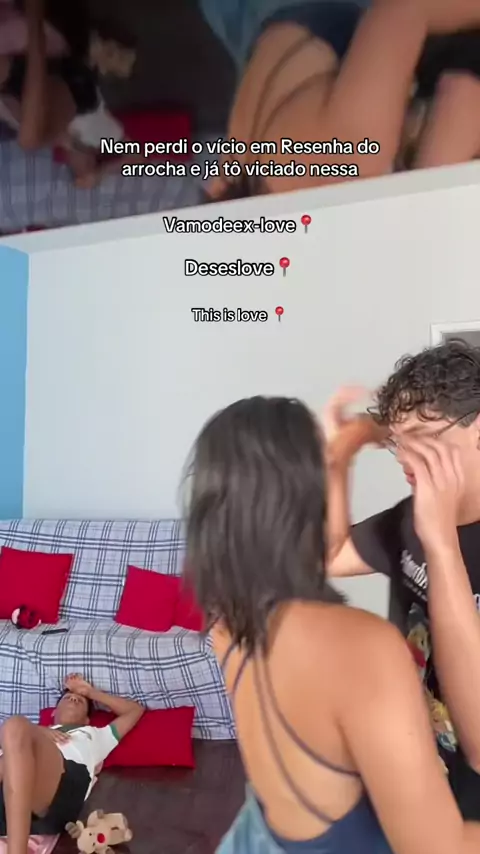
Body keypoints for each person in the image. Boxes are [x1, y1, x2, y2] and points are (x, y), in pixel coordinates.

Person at [183, 394, 480, 854]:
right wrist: (439, 539)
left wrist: (348, 448)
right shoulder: (361, 648)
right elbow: (438, 847)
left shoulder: (229, 623)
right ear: (307, 498)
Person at [328, 339, 480, 821]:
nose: (402, 455)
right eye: (397, 439)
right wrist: (338, 459)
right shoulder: (411, 518)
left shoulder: (430, 528)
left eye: (421, 435)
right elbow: (329, 556)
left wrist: (441, 544)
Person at [199, 0, 480, 201]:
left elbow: (404, 10)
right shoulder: (241, 201)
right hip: (250, 30)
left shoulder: (350, 156)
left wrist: (428, 202)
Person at [0, 673, 144, 854]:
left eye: (80, 700)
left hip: (61, 790)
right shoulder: (35, 732)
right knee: (12, 741)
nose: (74, 698)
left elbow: (134, 710)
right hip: (8, 801)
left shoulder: (94, 735)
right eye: (68, 697)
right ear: (53, 712)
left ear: (87, 720)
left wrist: (90, 692)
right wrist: (38, 731)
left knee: (15, 725)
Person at [0, 0, 135, 185]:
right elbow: (137, 157)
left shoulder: (59, 142)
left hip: (22, 91)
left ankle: (33, 19)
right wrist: (101, 174)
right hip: (73, 90)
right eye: (85, 169)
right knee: (29, 140)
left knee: (31, 137)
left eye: (75, 171)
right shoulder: (101, 135)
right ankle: (35, 14)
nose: (77, 168)